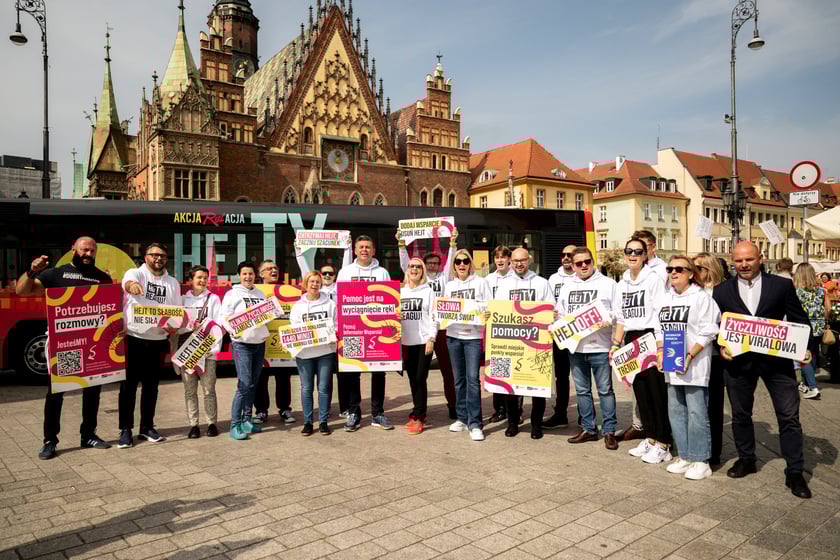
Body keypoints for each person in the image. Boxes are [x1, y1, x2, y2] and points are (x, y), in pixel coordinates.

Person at [713, 241, 812, 499]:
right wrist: (720, 345)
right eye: (739, 261)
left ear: (761, 258)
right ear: (732, 261)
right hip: (738, 363)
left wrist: (805, 347)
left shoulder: (780, 285)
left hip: (777, 362)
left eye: (749, 259)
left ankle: (795, 471)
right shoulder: (721, 291)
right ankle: (747, 459)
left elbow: (800, 319)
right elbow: (715, 326)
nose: (744, 265)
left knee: (789, 416)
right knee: (740, 414)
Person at [16, 237, 113, 460]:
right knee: (57, 393)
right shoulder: (56, 274)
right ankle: (50, 440)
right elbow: (23, 291)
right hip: (65, 345)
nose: (88, 253)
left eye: (92, 250)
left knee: (92, 392)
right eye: (84, 249)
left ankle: (88, 435)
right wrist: (31, 272)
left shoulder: (102, 277)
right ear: (73, 250)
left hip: (92, 344)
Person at [657, 256, 721, 480]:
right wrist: (659, 351)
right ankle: (684, 455)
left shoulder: (702, 298)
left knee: (696, 413)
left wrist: (690, 355)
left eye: (679, 269)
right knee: (676, 412)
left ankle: (701, 459)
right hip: (671, 365)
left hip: (695, 365)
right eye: (670, 269)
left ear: (691, 273)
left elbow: (709, 330)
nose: (673, 272)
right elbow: (659, 329)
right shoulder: (665, 298)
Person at [612, 238, 671, 464]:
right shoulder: (622, 283)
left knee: (656, 392)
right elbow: (621, 318)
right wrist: (616, 345)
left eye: (638, 251)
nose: (633, 254)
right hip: (632, 339)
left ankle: (664, 442)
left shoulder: (654, 280)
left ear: (646, 255)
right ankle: (650, 437)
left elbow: (659, 314)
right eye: (629, 251)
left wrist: (659, 346)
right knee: (641, 392)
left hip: (650, 335)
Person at [119, 243, 182, 448]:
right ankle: (125, 430)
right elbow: (128, 283)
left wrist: (174, 327)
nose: (158, 258)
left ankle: (146, 427)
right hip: (134, 338)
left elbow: (176, 310)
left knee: (151, 388)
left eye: (162, 255)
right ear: (146, 257)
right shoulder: (135, 273)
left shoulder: (172, 282)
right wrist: (133, 287)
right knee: (128, 387)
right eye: (154, 255)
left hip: (158, 340)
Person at [557, 247, 619, 450]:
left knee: (605, 391)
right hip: (576, 348)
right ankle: (589, 429)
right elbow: (561, 313)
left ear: (592, 262)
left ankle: (609, 431)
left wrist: (607, 319)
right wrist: (555, 321)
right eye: (579, 263)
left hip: (600, 347)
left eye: (587, 262)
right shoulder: (567, 286)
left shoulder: (608, 284)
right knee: (583, 391)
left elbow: (617, 313)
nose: (584, 266)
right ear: (572, 266)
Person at [398, 229, 459, 420]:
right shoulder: (405, 287)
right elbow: (405, 264)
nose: (432, 265)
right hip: (413, 335)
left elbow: (451, 262)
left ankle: (453, 405)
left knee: (447, 371)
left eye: (435, 263)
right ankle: (419, 410)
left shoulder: (442, 279)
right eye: (429, 263)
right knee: (416, 376)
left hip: (438, 330)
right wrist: (401, 245)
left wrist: (452, 244)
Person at [336, 235, 393, 431]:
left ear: (373, 250)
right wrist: (339, 328)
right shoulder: (345, 272)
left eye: (368, 247)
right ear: (355, 250)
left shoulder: (383, 273)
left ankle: (377, 413)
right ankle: (354, 412)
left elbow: (389, 301)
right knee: (353, 372)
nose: (364, 250)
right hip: (353, 330)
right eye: (361, 247)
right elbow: (338, 301)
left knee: (379, 371)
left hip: (377, 330)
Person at [495, 248, 554, 439]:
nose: (519, 263)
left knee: (538, 386)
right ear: (510, 262)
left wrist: (552, 314)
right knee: (510, 386)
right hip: (511, 342)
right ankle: (513, 422)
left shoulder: (541, 283)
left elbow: (551, 309)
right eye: (515, 261)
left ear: (529, 260)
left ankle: (537, 425)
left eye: (522, 260)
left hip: (537, 342)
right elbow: (498, 310)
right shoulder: (504, 285)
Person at [445, 248, 490, 441]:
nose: (461, 264)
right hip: (453, 336)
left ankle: (475, 423)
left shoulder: (481, 282)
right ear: (454, 266)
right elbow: (443, 308)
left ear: (470, 264)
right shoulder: (449, 286)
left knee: (473, 380)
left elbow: (489, 305)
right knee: (459, 380)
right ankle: (462, 418)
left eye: (465, 261)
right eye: (458, 262)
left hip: (472, 337)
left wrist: (483, 311)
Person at [221, 261, 270, 440]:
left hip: (259, 343)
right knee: (244, 384)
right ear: (239, 276)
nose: (248, 277)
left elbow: (267, 314)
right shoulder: (232, 294)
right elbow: (223, 316)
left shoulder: (260, 293)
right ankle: (235, 425)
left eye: (250, 274)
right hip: (242, 344)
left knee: (253, 383)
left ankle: (247, 419)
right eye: (244, 274)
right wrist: (232, 329)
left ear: (255, 275)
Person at [174, 266, 221, 438]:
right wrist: (188, 326)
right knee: (189, 391)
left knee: (209, 390)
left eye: (205, 278)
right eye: (199, 277)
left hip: (207, 350)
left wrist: (213, 348)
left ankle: (211, 423)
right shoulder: (182, 300)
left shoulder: (214, 299)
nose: (202, 281)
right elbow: (175, 327)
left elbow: (218, 325)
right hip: (187, 351)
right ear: (190, 280)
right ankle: (193, 425)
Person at [289, 271, 338, 436]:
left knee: (324, 388)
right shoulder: (298, 306)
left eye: (318, 282)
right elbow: (294, 329)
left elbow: (337, 324)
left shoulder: (330, 304)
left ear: (321, 284)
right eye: (312, 282)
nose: (315, 285)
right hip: (304, 354)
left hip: (326, 351)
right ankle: (308, 422)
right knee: (306, 388)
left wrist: (333, 333)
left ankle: (323, 421)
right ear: (306, 283)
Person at [693, 252, 726, 465]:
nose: (693, 272)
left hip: (715, 356)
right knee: (695, 405)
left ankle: (713, 450)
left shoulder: (721, 293)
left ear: (709, 270)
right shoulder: (691, 292)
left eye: (697, 268)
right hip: (693, 356)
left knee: (713, 405)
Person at [399, 258, 439, 434]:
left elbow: (434, 316)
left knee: (420, 378)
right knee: (412, 379)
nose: (414, 269)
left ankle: (419, 416)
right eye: (411, 266)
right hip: (406, 342)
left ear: (422, 271)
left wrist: (432, 338)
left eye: (418, 267)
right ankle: (417, 410)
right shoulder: (400, 292)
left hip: (423, 342)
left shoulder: (428, 292)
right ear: (407, 270)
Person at [253, 259, 295, 425]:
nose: (273, 271)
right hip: (261, 340)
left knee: (283, 377)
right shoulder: (255, 291)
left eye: (275, 268)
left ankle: (284, 409)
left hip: (281, 341)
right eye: (268, 268)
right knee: (260, 378)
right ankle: (261, 411)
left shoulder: (288, 290)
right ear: (261, 274)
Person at [544, 244, 577, 430]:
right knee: (561, 376)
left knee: (581, 378)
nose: (566, 257)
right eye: (563, 254)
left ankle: (585, 417)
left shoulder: (582, 277)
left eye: (570, 255)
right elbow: (548, 303)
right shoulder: (553, 279)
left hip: (579, 333)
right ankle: (560, 413)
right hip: (559, 334)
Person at [484, 245, 515, 423]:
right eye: (497, 257)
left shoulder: (515, 278)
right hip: (495, 329)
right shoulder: (488, 279)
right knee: (497, 368)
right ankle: (500, 409)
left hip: (513, 328)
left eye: (503, 257)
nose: (500, 260)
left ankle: (515, 411)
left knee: (512, 371)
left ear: (509, 259)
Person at [793, 263, 830, 400]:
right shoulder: (822, 290)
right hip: (818, 326)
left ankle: (813, 387)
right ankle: (806, 383)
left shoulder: (796, 291)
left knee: (803, 356)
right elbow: (828, 308)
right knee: (813, 354)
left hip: (803, 327)